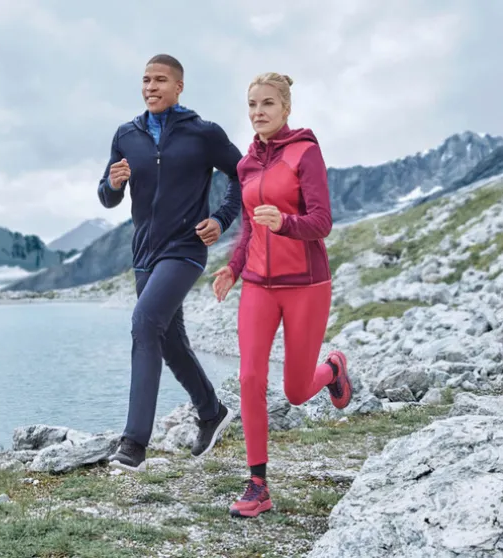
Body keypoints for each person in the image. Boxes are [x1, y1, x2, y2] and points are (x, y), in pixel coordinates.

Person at [211, 72, 352, 517]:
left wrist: (286, 223)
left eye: (268, 103)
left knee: (294, 391)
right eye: (252, 105)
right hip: (258, 285)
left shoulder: (304, 152)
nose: (259, 112)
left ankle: (332, 369)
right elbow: (250, 228)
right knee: (250, 378)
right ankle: (258, 485)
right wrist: (233, 268)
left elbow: (322, 222)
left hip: (306, 285)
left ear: (286, 108)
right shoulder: (246, 165)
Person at [98, 54, 242, 472]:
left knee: (144, 323)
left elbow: (242, 175)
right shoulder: (126, 135)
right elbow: (106, 196)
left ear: (179, 86)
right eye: (146, 80)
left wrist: (222, 218)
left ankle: (134, 443)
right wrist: (113, 184)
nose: (151, 87)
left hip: (185, 249)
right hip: (144, 254)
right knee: (169, 342)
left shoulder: (203, 133)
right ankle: (211, 411)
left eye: (160, 80)